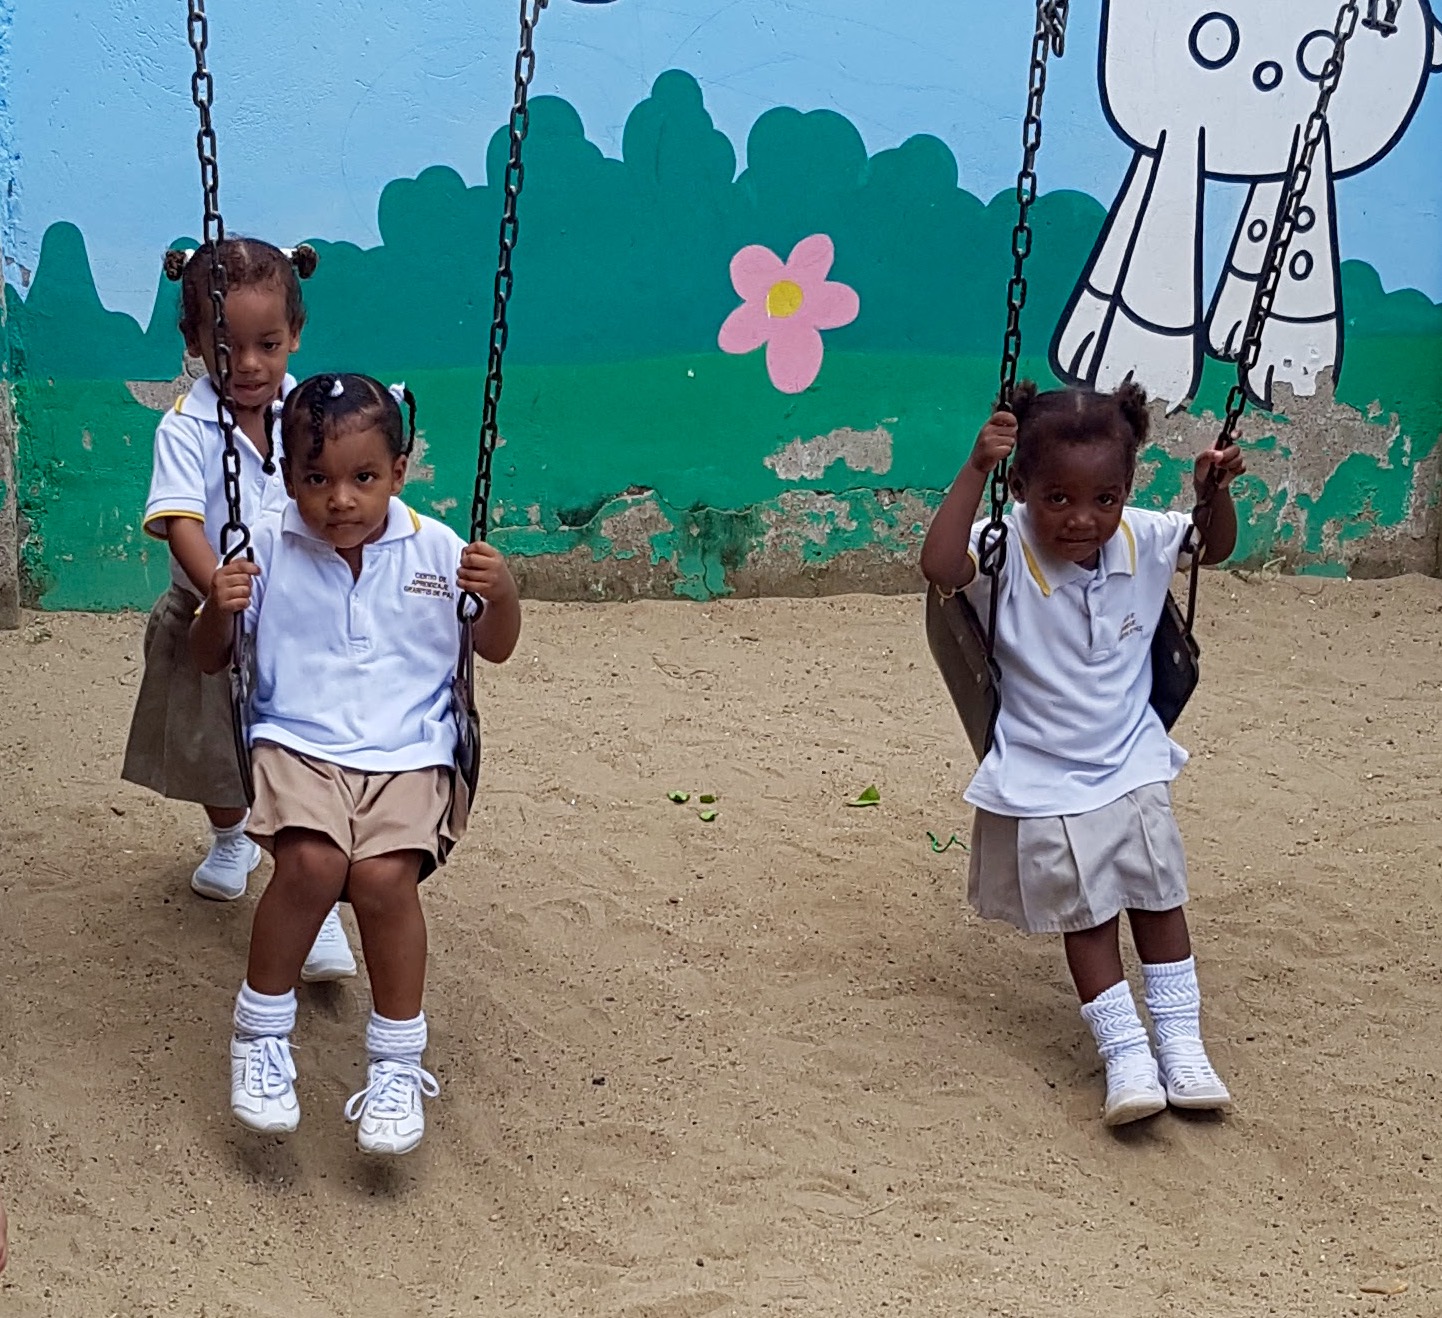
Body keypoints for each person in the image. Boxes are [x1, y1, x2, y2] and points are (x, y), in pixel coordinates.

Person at [193, 373, 521, 1154]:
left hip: (410, 751)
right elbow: (211, 661)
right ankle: (261, 1036)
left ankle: (397, 1063)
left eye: (363, 478)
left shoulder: (439, 549)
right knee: (309, 865)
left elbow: (496, 648)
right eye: (316, 479)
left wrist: (501, 592)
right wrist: (219, 603)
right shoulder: (266, 546)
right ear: (284, 473)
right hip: (299, 741)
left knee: (381, 880)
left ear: (399, 472)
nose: (339, 499)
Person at [920, 381, 1245, 1127]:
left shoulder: (1144, 535)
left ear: (1127, 490)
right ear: (1022, 487)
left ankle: (1183, 1045)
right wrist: (975, 468)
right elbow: (939, 567)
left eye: (1104, 497)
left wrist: (1211, 491)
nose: (1083, 518)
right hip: (1046, 773)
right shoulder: (1003, 549)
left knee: (1161, 898)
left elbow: (1214, 547)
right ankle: (1127, 1053)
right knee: (1089, 915)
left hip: (1131, 757)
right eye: (1057, 498)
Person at [120, 239, 355, 982]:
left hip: (291, 623)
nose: (249, 365)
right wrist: (216, 582)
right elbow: (181, 518)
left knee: (293, 762)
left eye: (269, 345)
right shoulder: (187, 428)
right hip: (207, 619)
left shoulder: (306, 415)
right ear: (193, 343)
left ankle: (309, 909)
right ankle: (227, 839)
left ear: (296, 335)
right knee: (215, 758)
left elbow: (330, 486)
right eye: (226, 348)